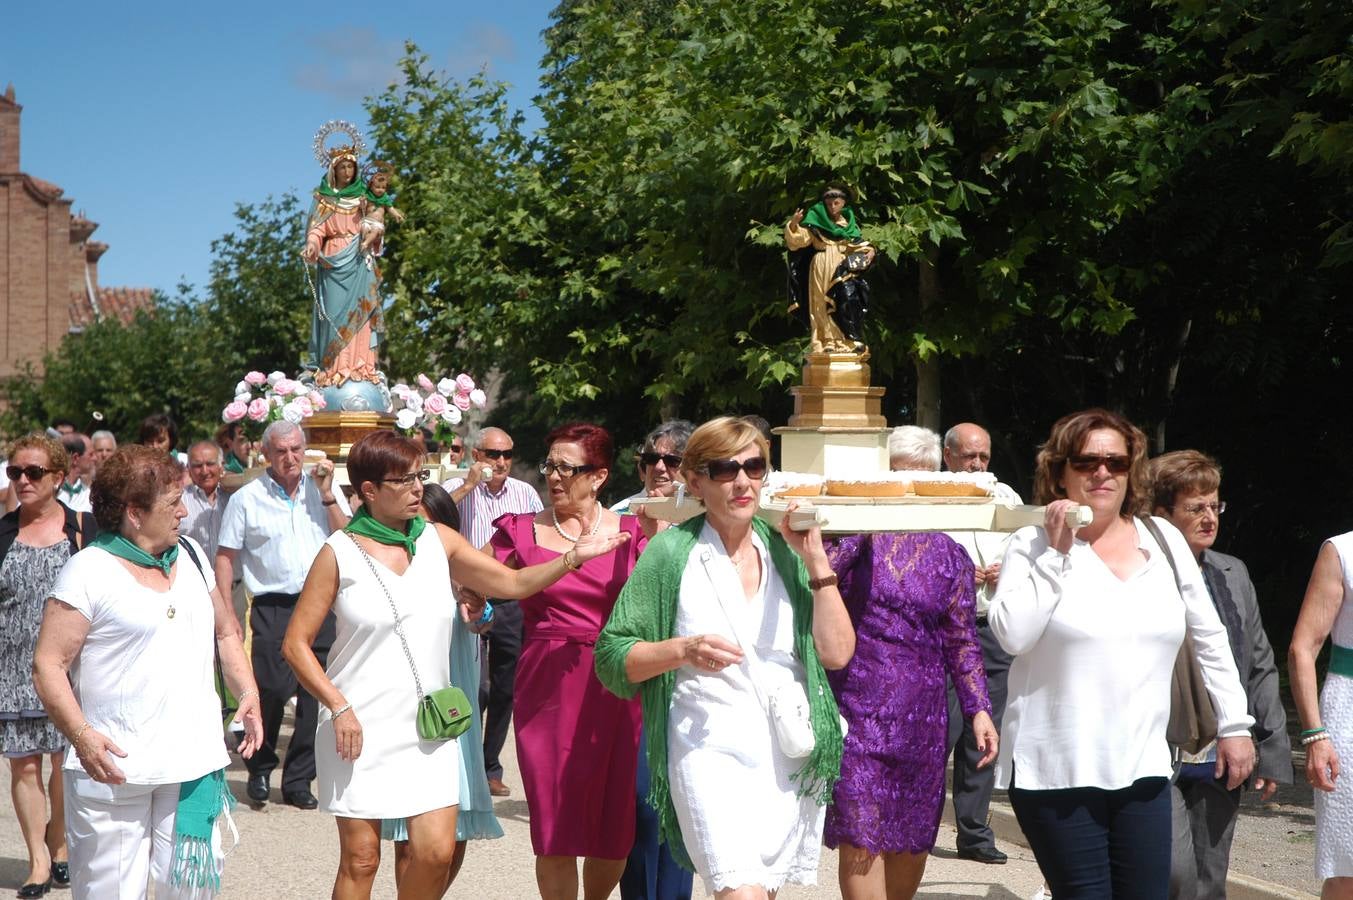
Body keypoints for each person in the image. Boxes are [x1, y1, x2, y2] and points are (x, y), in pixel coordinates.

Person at [282, 431, 629, 900]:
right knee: (362, 860)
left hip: (430, 723)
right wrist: (337, 705)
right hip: (358, 722)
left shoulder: (439, 541)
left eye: (420, 477)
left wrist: (570, 558)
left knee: (437, 852)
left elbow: (514, 583)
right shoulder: (338, 553)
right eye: (403, 480)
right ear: (368, 491)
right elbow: (296, 644)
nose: (418, 489)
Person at [988, 408, 1254, 898]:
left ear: (1132, 472)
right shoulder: (1029, 543)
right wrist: (1056, 553)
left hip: (1144, 768)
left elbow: (1210, 637)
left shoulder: (1164, 538)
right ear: (1060, 471)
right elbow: (1012, 636)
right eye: (1087, 461)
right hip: (1057, 769)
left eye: (1117, 461)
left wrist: (1235, 725)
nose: (1102, 473)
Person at [595, 416, 856, 898]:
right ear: (694, 481)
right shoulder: (671, 553)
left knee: (762, 891)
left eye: (754, 467)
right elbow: (613, 656)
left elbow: (836, 654)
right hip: (705, 746)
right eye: (723, 469)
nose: (742, 481)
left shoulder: (785, 550)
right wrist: (682, 650)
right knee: (741, 893)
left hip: (782, 751)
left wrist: (818, 562)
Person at [32, 445, 262, 899]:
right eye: (172, 503)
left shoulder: (193, 554)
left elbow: (224, 633)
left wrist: (248, 691)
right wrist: (81, 734)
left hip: (191, 762)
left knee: (189, 891)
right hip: (114, 769)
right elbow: (47, 665)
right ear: (134, 514)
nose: (184, 511)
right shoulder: (88, 571)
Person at [485, 423, 647, 899]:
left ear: (598, 477)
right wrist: (472, 601)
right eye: (549, 465)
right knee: (553, 827)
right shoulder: (519, 530)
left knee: (614, 829)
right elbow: (473, 576)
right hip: (547, 684)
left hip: (616, 682)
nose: (554, 477)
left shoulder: (635, 532)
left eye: (566, 468)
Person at [1146, 450, 1290, 898]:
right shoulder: (1136, 572)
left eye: (1215, 506)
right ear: (1161, 513)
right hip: (1155, 749)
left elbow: (1259, 663)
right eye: (1195, 508)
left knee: (1209, 882)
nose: (1210, 518)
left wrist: (1271, 747)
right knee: (1172, 874)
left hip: (1222, 754)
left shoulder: (1233, 572)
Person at [824, 521, 995, 898]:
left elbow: (962, 640)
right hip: (857, 717)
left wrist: (978, 709)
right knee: (861, 834)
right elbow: (818, 576)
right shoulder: (854, 541)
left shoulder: (951, 555)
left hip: (923, 722)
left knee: (911, 844)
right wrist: (856, 530)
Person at [213, 420, 350, 809]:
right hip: (273, 603)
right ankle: (259, 765)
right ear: (266, 454)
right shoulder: (247, 498)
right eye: (281, 451)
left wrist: (326, 496)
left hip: (320, 601)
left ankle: (299, 779)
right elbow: (226, 557)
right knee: (271, 688)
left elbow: (348, 536)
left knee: (314, 693)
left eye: (296, 450)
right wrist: (226, 611)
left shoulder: (322, 490)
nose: (290, 458)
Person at [380, 482, 502, 892]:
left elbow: (481, 615)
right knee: (408, 837)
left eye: (430, 527)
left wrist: (480, 608)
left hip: (456, 710)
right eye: (413, 525)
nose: (419, 536)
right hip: (407, 710)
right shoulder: (389, 569)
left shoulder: (460, 570)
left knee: (456, 836)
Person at [0, 435, 96, 897]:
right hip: (11, 667)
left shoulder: (85, 530)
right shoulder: (2, 534)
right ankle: (39, 860)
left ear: (59, 477)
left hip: (68, 670)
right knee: (23, 766)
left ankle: (57, 839)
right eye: (15, 472)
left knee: (65, 762)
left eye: (33, 472)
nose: (23, 480)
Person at [613, 421, 697, 900]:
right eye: (651, 459)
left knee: (680, 807)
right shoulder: (619, 515)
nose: (659, 468)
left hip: (692, 680)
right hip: (637, 675)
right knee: (644, 807)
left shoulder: (708, 521)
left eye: (672, 460)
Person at [443, 426, 543, 797]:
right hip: (467, 595)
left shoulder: (525, 493)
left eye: (506, 455)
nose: (501, 462)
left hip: (511, 597)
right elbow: (430, 518)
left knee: (505, 687)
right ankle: (463, 758)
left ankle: (490, 766)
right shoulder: (459, 486)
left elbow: (537, 538)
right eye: (492, 454)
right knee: (475, 684)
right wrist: (468, 485)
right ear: (476, 455)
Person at [942, 422, 1023, 866]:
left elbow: (1024, 551)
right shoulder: (930, 496)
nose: (977, 466)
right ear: (948, 456)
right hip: (946, 629)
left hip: (991, 625)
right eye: (969, 457)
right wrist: (955, 571)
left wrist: (1001, 569)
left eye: (984, 457)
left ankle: (974, 835)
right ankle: (920, 825)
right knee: (944, 728)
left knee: (983, 737)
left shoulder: (1006, 499)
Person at [1289, 527, 1353, 893]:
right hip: (1348, 716)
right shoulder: (1342, 551)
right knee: (1349, 866)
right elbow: (1303, 647)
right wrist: (1315, 735)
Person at [303, 146, 383, 387]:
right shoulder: (323, 199)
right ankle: (333, 369)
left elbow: (377, 221)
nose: (347, 171)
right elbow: (317, 230)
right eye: (342, 167)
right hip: (334, 261)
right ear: (333, 170)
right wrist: (311, 245)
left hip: (359, 258)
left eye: (351, 167)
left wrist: (375, 230)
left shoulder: (363, 197)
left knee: (361, 314)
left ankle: (361, 367)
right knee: (335, 317)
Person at [784, 184, 876, 354]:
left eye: (837, 203)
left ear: (843, 204)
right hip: (821, 264)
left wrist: (869, 251)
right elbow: (798, 241)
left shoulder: (848, 224)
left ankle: (845, 340)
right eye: (829, 204)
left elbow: (857, 245)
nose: (833, 207)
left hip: (842, 267)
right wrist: (794, 225)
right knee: (820, 302)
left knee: (846, 300)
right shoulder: (816, 223)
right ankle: (824, 340)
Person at [182, 441, 226, 560]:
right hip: (194, 577)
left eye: (210, 464)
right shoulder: (179, 501)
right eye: (197, 465)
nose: (204, 471)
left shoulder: (233, 497)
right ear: (188, 468)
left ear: (221, 465)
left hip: (234, 577)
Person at [57, 434, 93, 514]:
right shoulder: (49, 492)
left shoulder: (89, 496)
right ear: (75, 458)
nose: (95, 458)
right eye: (90, 454)